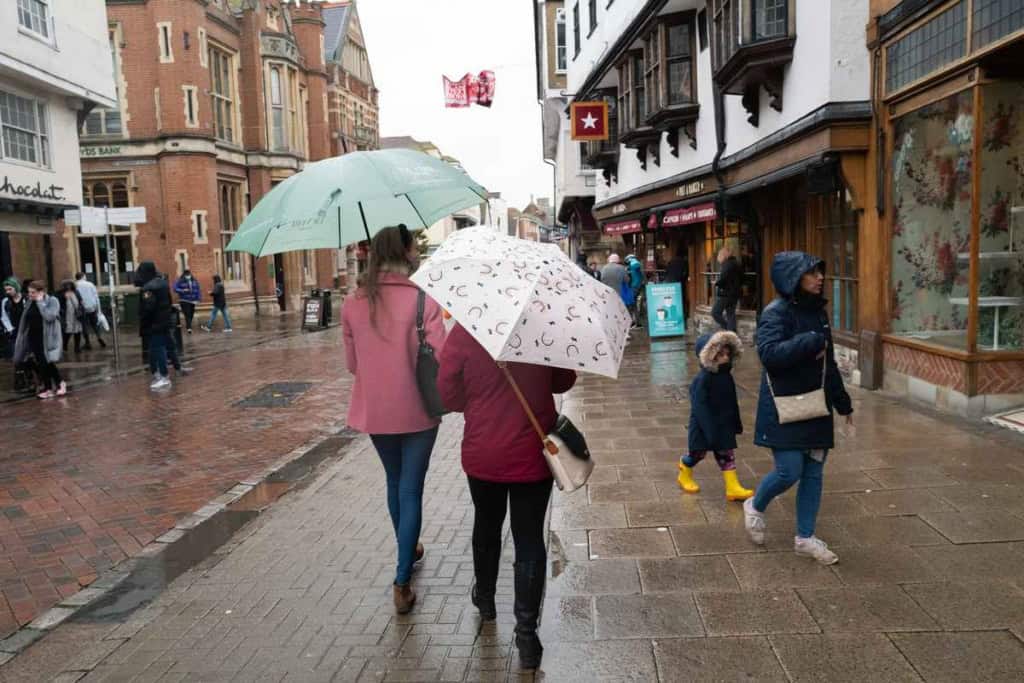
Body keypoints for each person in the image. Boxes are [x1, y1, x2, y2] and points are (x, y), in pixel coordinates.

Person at [437, 325, 575, 671]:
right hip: (532, 452)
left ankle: (485, 600)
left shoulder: (466, 331)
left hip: (483, 452)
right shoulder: (540, 327)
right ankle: (527, 636)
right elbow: (564, 381)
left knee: (486, 523)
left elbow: (448, 396)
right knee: (529, 538)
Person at [342, 225, 445, 615]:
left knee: (394, 481)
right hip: (418, 410)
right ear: (405, 251)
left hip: (376, 412)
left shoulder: (354, 302)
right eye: (414, 244)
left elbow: (353, 366)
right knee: (411, 490)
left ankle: (409, 544)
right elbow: (443, 357)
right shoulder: (423, 301)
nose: (417, 249)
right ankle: (402, 580)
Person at [743, 252, 853, 566]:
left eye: (820, 272)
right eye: (812, 273)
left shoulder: (819, 313)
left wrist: (843, 403)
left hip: (817, 405)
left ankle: (805, 537)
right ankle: (755, 505)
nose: (820, 278)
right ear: (793, 278)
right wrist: (808, 341)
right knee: (788, 471)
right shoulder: (775, 313)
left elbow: (828, 364)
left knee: (814, 473)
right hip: (785, 407)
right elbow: (769, 355)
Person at [677, 331, 753, 501]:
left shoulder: (726, 376)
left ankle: (732, 487)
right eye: (720, 355)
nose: (725, 358)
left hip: (723, 423)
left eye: (727, 354)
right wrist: (709, 430)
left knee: (726, 455)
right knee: (697, 455)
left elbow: (732, 402)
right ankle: (684, 469)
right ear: (709, 356)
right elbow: (699, 407)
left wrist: (736, 422)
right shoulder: (703, 379)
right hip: (704, 426)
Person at [13, 281, 66, 398]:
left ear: (41, 291)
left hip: (47, 337)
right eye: (29, 292)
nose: (30, 295)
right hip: (32, 335)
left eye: (33, 292)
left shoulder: (52, 301)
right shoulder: (29, 302)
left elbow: (50, 317)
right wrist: (21, 335)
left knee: (46, 361)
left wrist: (41, 302)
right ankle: (57, 384)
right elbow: (25, 319)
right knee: (42, 362)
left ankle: (51, 387)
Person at [134, 261, 175, 391]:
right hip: (164, 321)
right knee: (156, 349)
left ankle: (164, 376)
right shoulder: (163, 284)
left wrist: (144, 321)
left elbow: (148, 308)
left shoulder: (148, 288)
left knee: (158, 349)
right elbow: (169, 301)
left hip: (154, 324)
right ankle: (158, 374)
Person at [712, 247, 742, 332]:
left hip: (726, 293)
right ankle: (732, 333)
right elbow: (742, 278)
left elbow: (723, 278)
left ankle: (727, 328)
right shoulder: (737, 263)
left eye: (719, 255)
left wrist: (716, 283)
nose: (718, 257)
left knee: (715, 313)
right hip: (735, 294)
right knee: (730, 314)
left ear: (724, 255)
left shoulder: (727, 264)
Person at [75, 272, 106, 349]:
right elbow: (96, 297)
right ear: (83, 276)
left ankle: (87, 342)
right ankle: (99, 337)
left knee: (84, 326)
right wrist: (99, 309)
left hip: (82, 308)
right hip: (92, 307)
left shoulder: (75, 285)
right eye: (85, 276)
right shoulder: (90, 284)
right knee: (95, 324)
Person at [59, 280, 86, 354]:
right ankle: (64, 346)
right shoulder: (61, 293)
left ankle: (77, 347)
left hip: (77, 314)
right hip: (67, 315)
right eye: (66, 285)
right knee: (68, 331)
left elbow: (80, 300)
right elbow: (59, 303)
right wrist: (64, 297)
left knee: (78, 331)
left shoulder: (76, 292)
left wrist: (81, 307)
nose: (68, 286)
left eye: (70, 284)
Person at [173, 270, 201, 334]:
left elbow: (198, 289)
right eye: (187, 275)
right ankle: (189, 328)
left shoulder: (194, 280)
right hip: (184, 300)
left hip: (193, 300)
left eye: (189, 274)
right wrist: (182, 290)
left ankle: (188, 325)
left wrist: (198, 298)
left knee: (191, 313)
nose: (188, 276)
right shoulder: (180, 281)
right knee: (187, 314)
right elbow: (175, 288)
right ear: (184, 275)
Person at [625, 254, 646, 329]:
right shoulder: (635, 265)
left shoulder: (634, 263)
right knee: (634, 305)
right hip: (637, 285)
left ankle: (636, 323)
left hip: (635, 286)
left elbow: (637, 269)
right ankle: (636, 322)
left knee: (632, 305)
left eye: (627, 261)